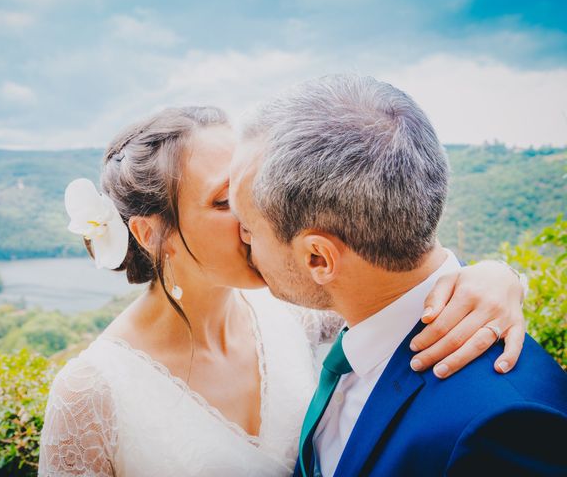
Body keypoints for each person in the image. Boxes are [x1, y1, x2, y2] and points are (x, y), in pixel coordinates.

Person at [39, 106, 528, 476]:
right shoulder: (89, 393)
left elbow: (395, 289)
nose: (259, 210)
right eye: (226, 200)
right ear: (149, 233)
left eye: (254, 183)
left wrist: (493, 277)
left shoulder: (290, 309)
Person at [228, 74, 567, 477]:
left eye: (249, 228)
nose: (240, 241)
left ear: (318, 258)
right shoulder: (362, 323)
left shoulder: (501, 428)